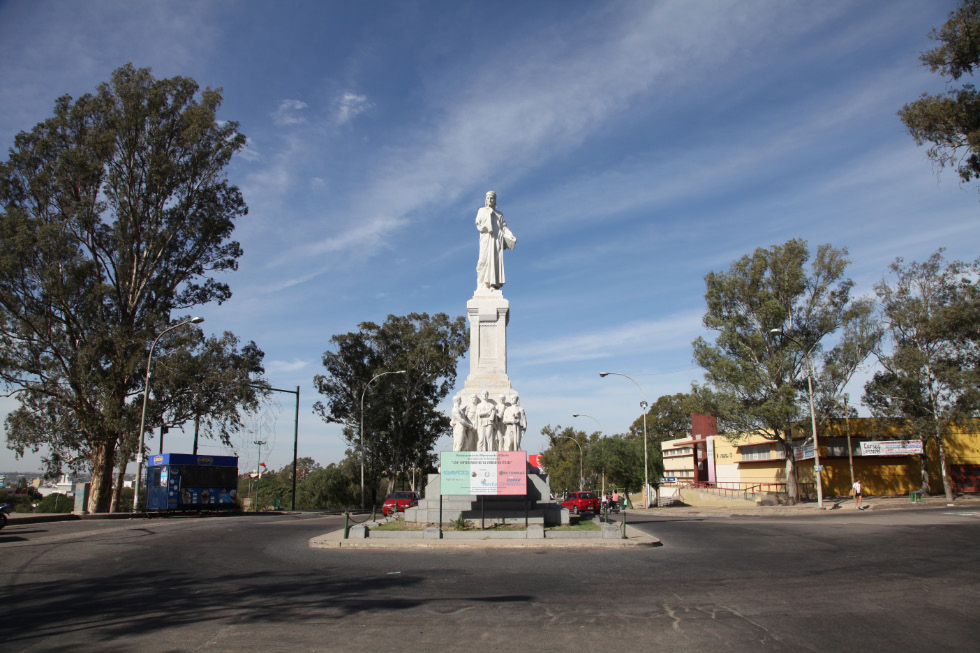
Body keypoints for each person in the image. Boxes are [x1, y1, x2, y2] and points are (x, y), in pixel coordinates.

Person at [475, 190, 516, 291]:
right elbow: (478, 223)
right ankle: (482, 285)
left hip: (496, 241)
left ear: (495, 200)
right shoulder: (482, 210)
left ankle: (492, 284)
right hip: (486, 238)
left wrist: (510, 236)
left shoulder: (499, 214)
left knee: (494, 262)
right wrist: (488, 220)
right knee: (482, 261)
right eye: (488, 198)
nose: (489, 200)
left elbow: (504, 227)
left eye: (491, 198)